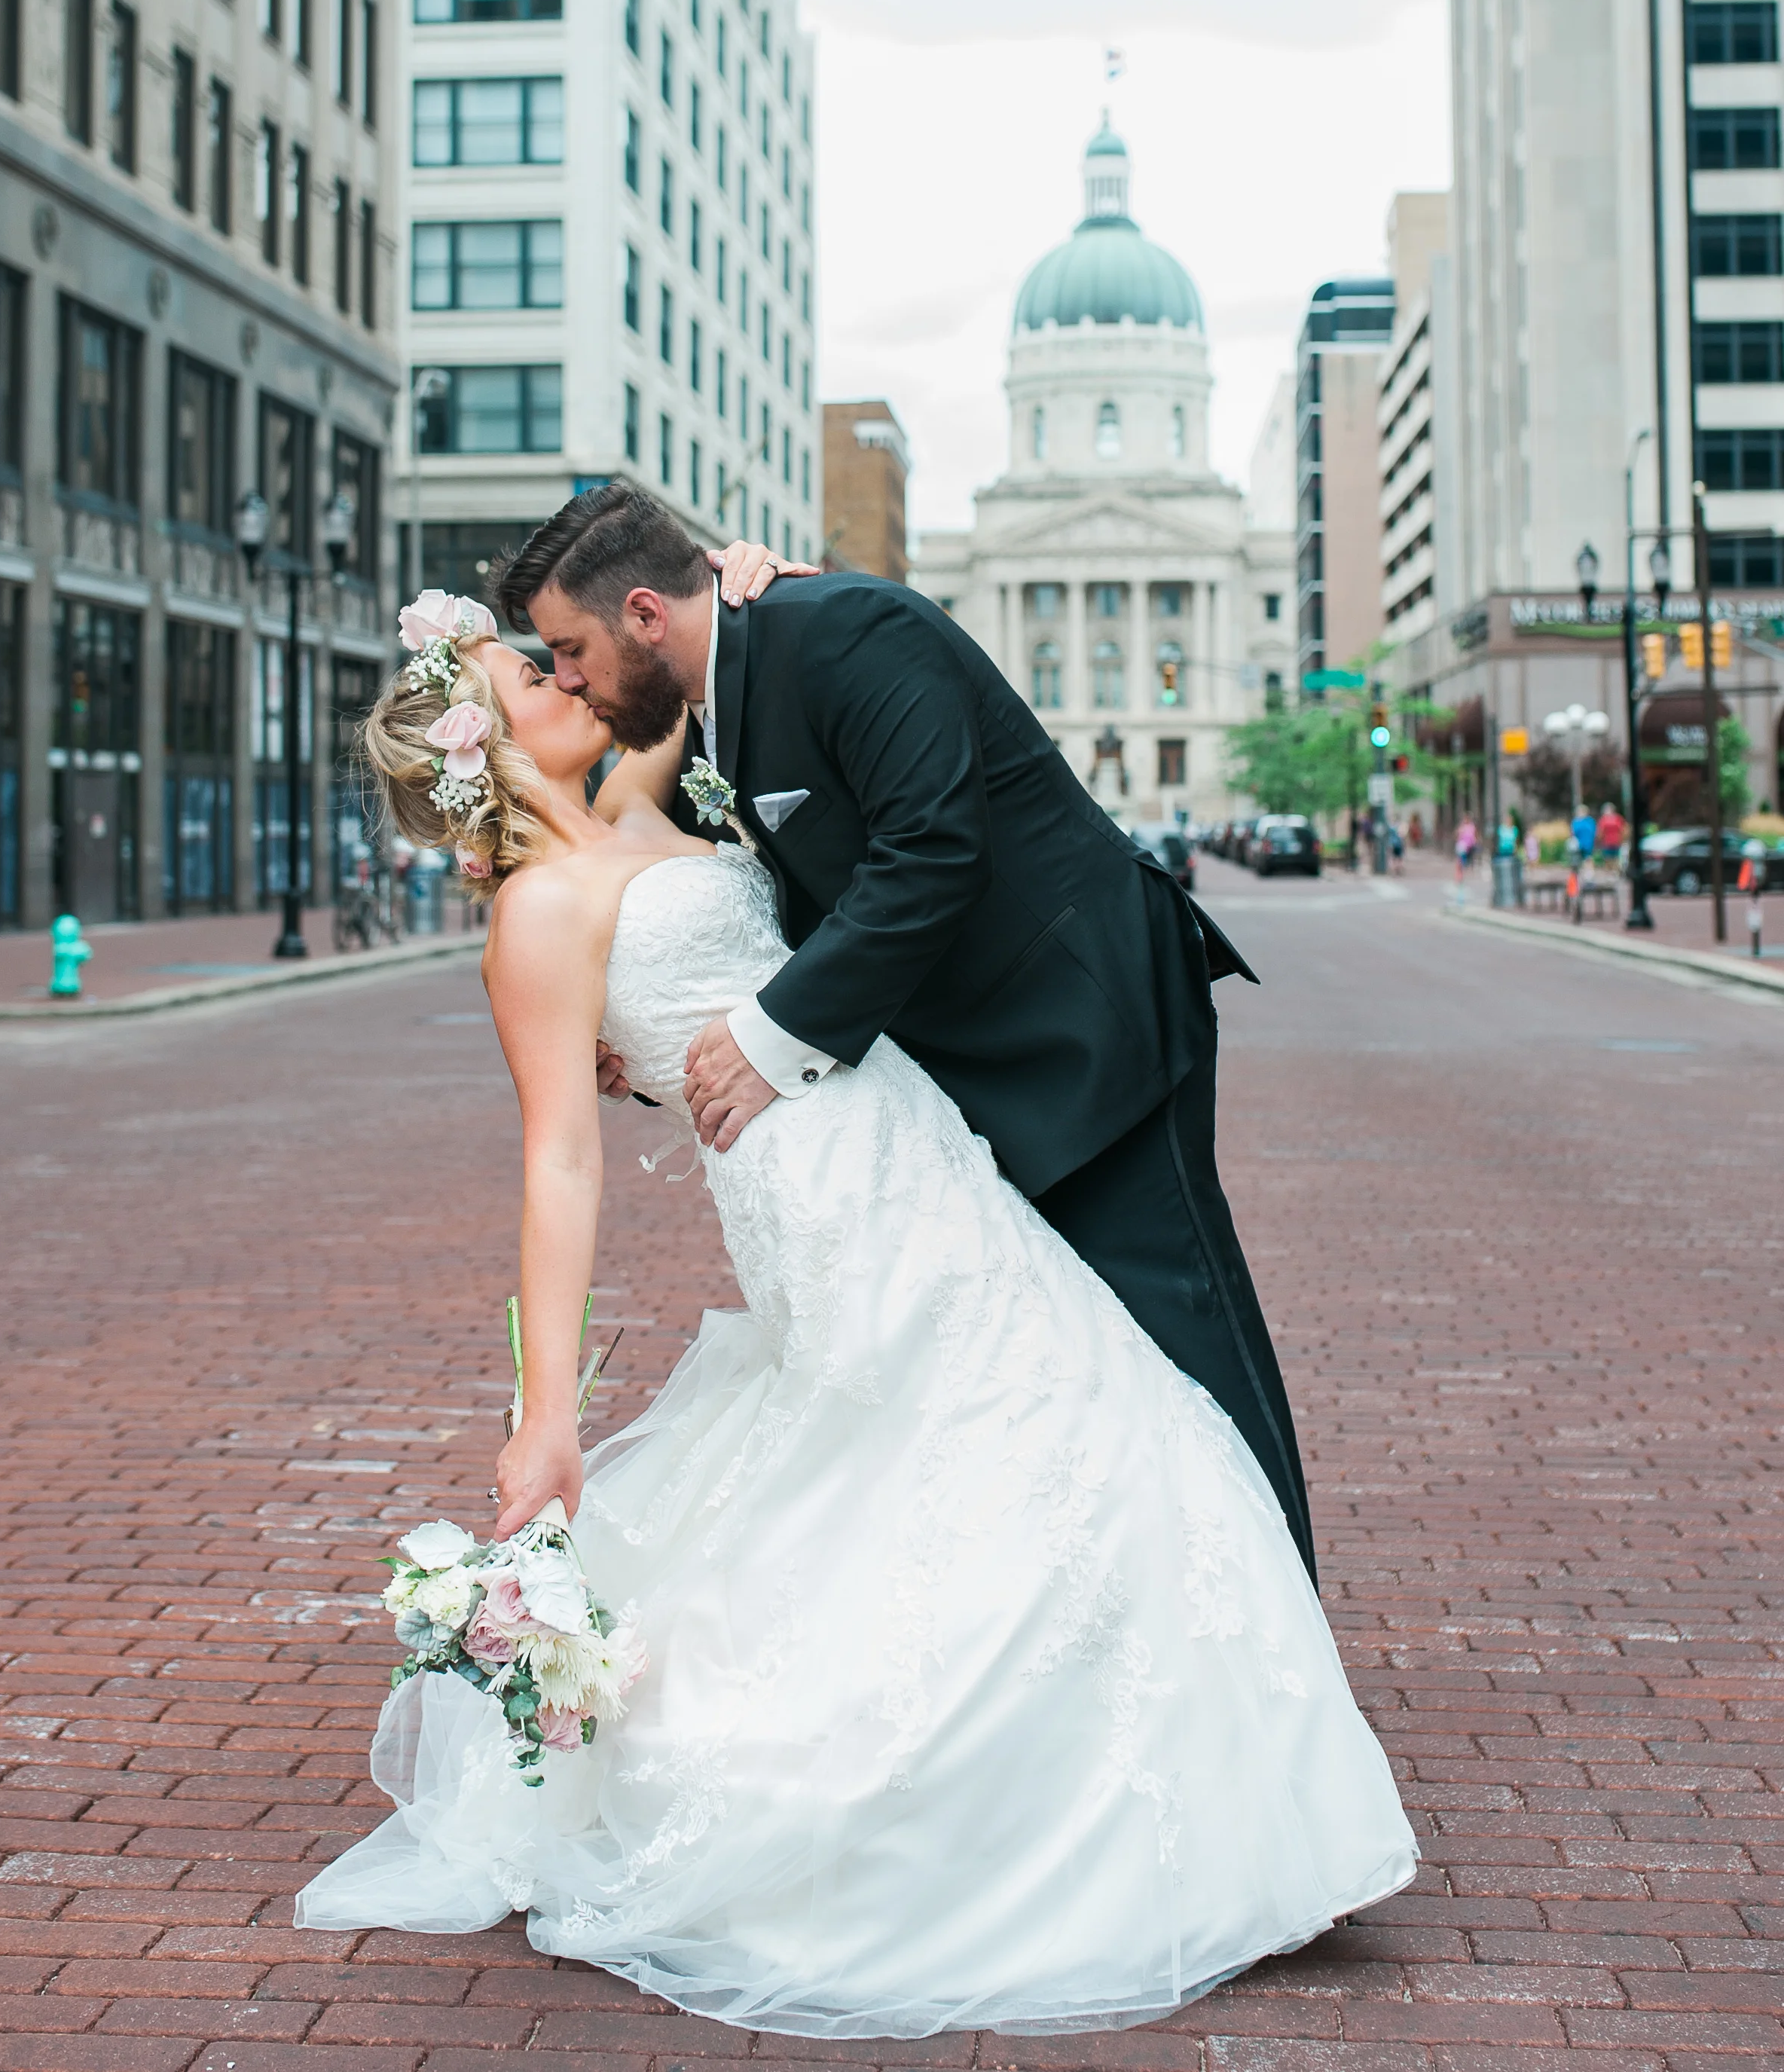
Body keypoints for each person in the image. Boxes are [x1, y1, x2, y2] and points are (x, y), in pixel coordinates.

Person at [294, 558, 1417, 2034]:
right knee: (990, 1427)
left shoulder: (643, 795)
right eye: (532, 674)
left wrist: (747, 579)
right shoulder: (538, 916)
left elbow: (694, 656)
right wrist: (545, 1413)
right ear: (489, 751)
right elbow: (559, 1163)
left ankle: (1179, 1766)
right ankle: (978, 1796)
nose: (566, 675)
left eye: (558, 654)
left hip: (912, 1131)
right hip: (815, 1197)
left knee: (1079, 1413)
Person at [501, 484, 1312, 1575]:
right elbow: (742, 926)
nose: (566, 676)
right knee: (1070, 1382)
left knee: (1182, 1342)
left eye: (568, 649)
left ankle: (1275, 1616)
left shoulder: (846, 632)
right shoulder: (705, 711)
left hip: (1083, 1032)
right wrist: (647, 1042)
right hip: (945, 1091)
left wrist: (765, 1039)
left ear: (644, 613)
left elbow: (932, 854)